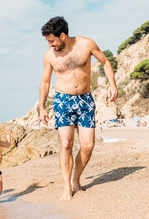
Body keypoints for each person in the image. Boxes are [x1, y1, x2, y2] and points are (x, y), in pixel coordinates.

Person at [39, 17, 118, 200]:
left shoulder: (86, 44)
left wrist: (112, 84)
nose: (50, 44)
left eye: (52, 40)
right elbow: (45, 82)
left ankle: (76, 178)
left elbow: (105, 62)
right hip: (62, 101)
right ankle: (67, 186)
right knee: (66, 143)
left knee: (88, 145)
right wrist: (42, 107)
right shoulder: (49, 56)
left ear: (63, 35)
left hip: (85, 100)